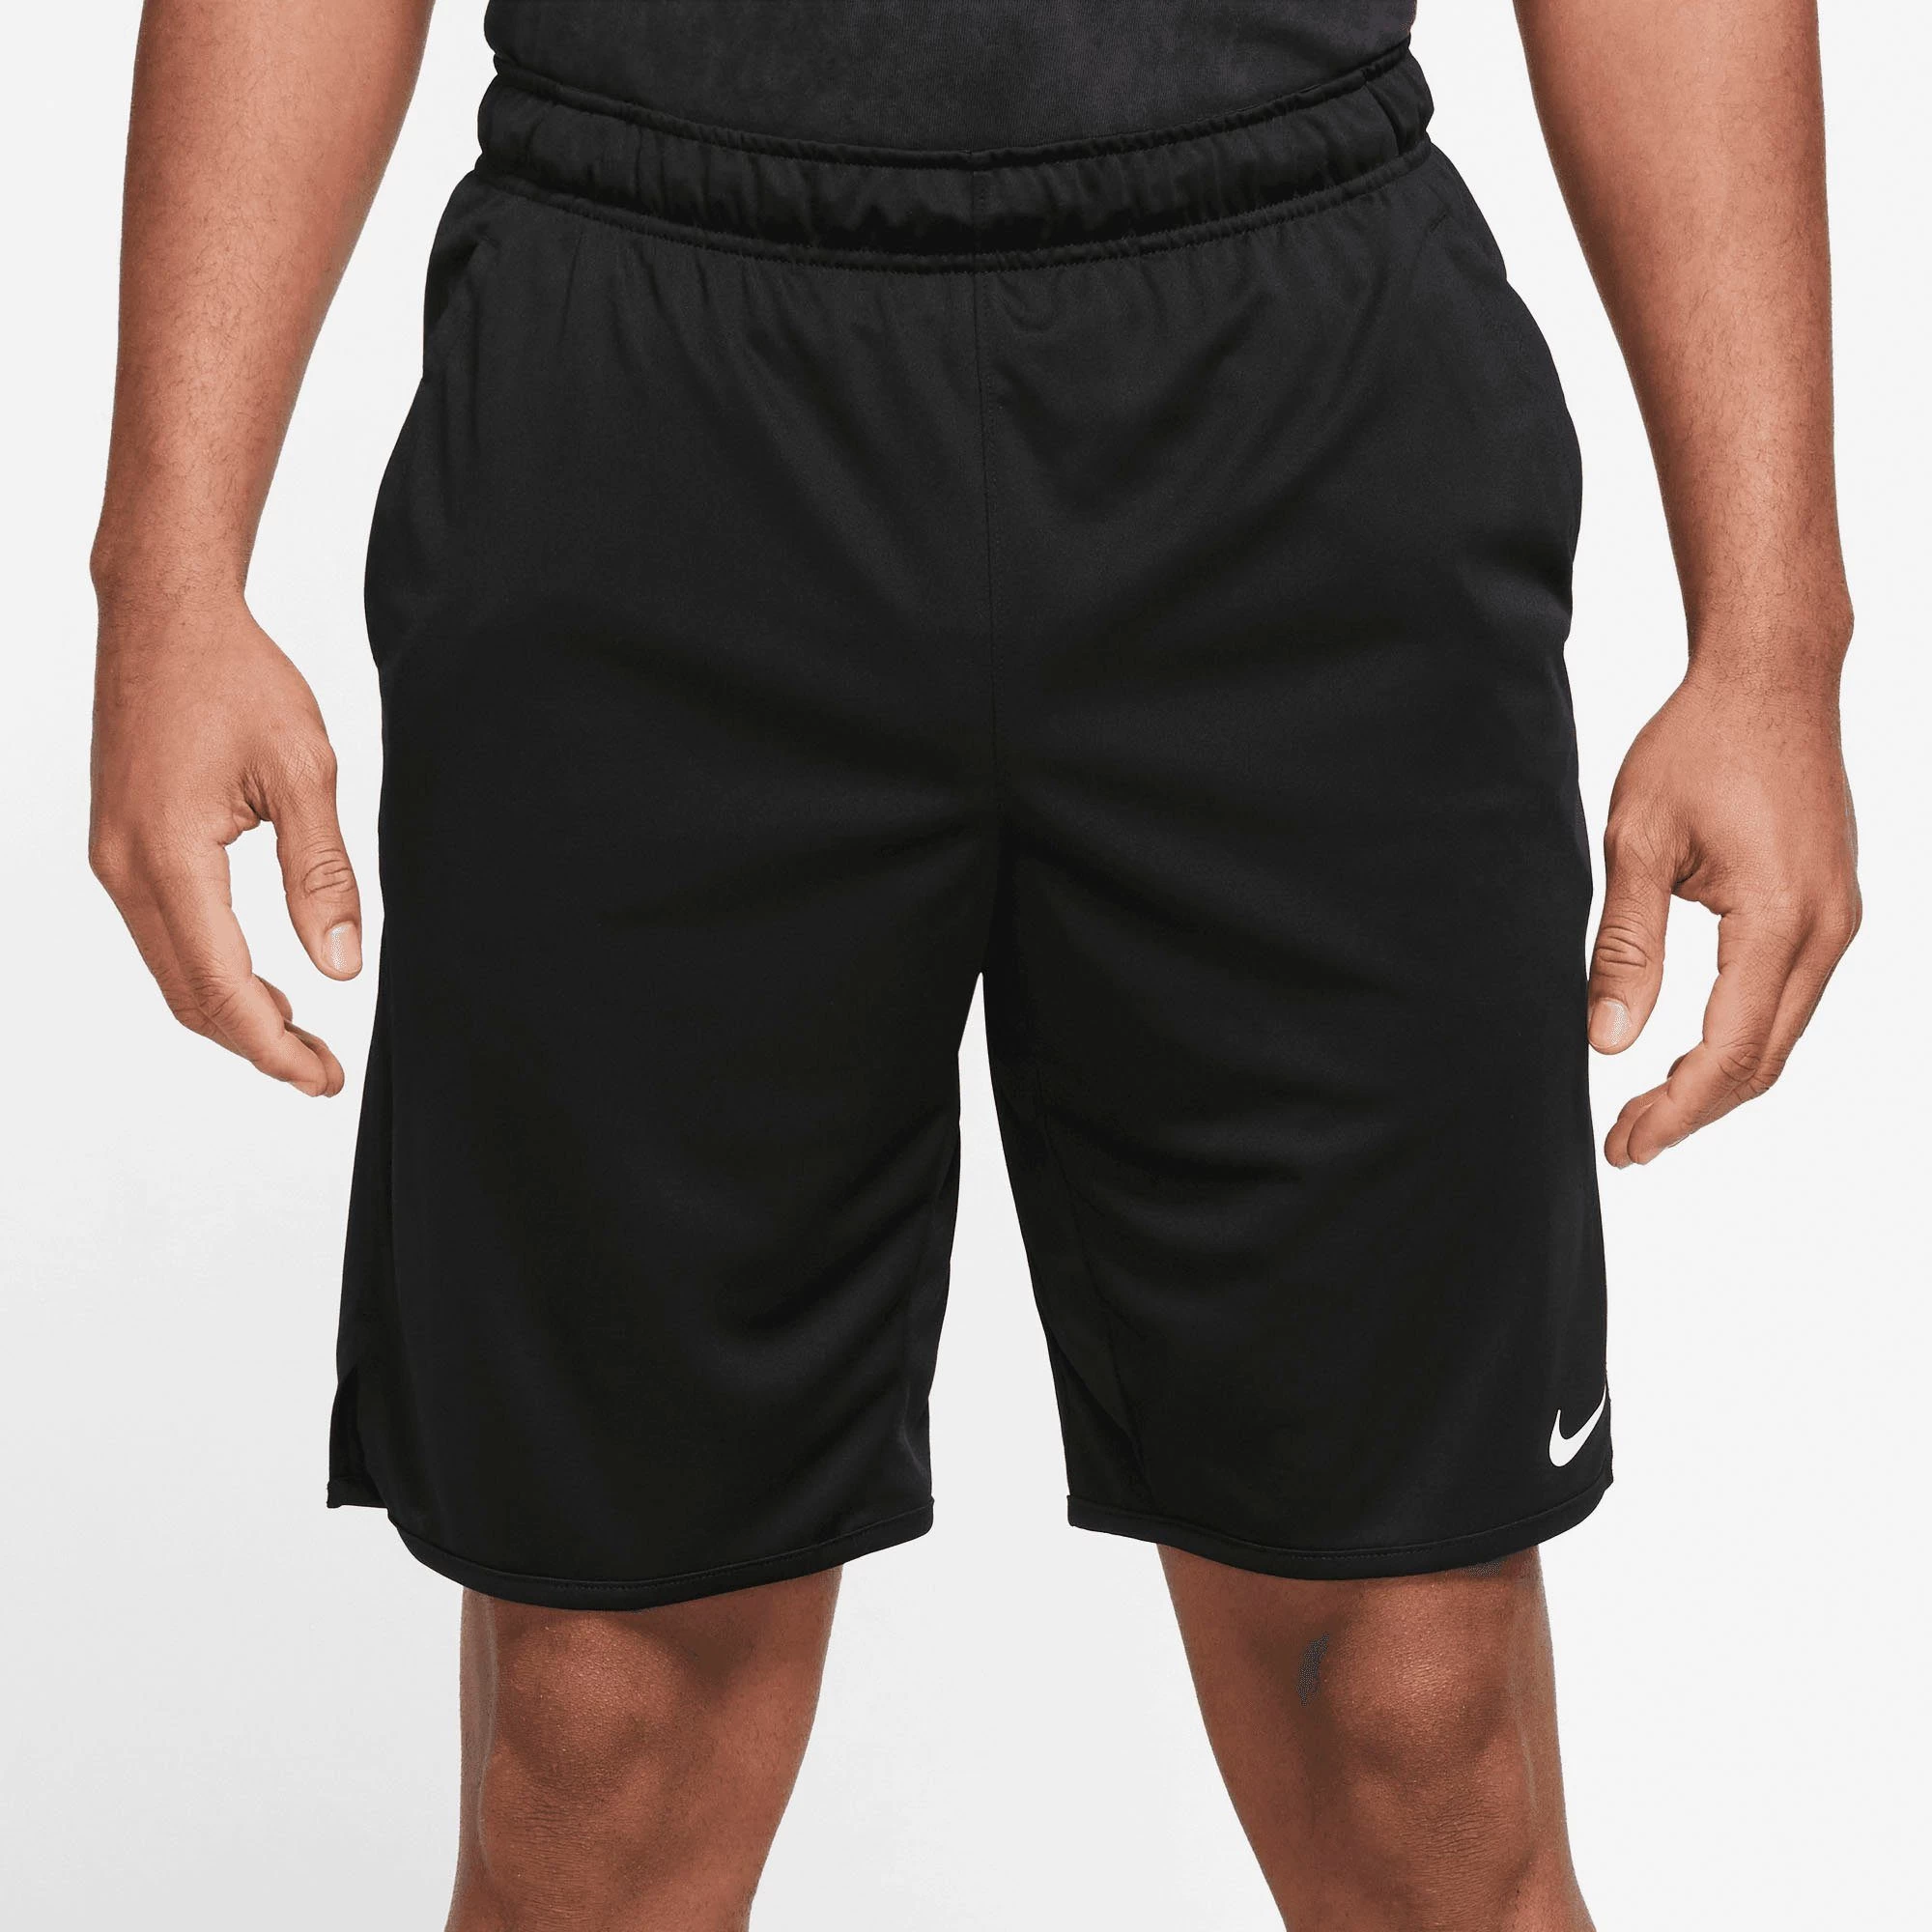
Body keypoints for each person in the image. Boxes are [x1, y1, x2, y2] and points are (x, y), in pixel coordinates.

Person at [87, 2, 1861, 1925]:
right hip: (651, 380)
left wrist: (1774, 635)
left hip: (1297, 383)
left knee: (1412, 1712)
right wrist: (166, 568)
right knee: (605, 1732)